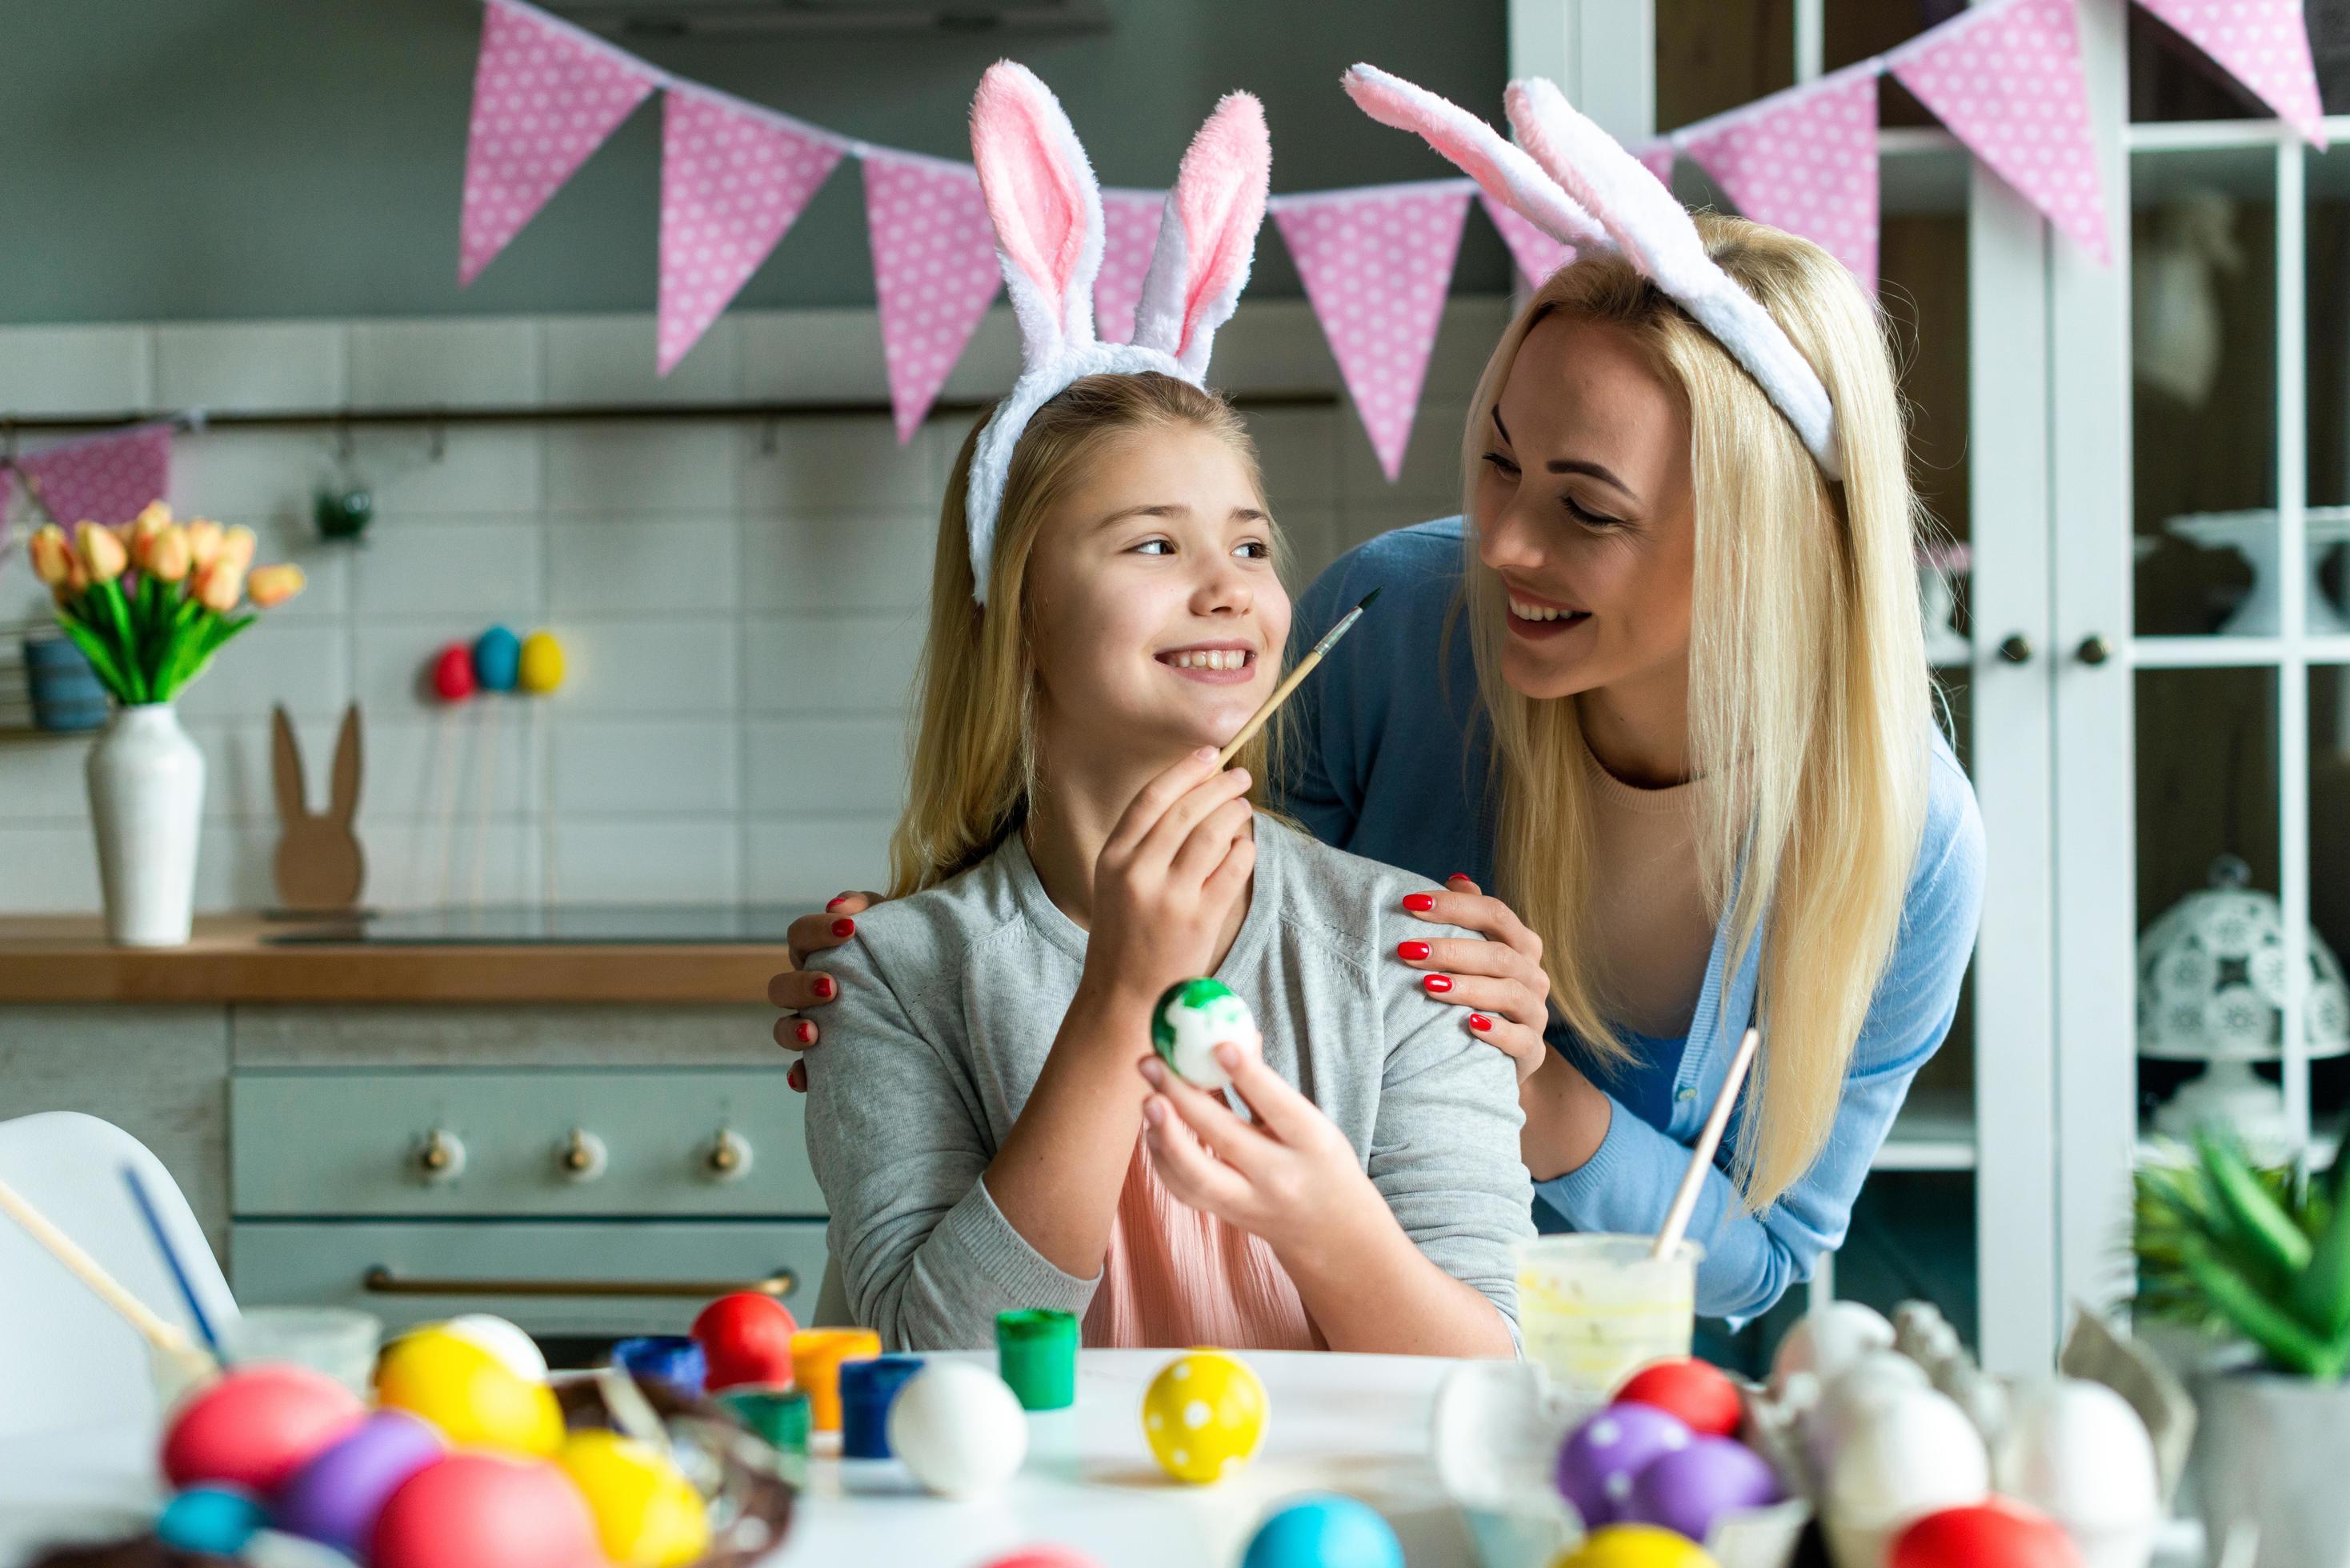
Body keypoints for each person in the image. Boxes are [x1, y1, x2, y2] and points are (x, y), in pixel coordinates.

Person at [779, 70, 1984, 1323]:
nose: (1501, 546)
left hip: (1607, 1345)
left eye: (1587, 510)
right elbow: (1175, 861)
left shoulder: (1909, 842)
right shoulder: (1390, 621)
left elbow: (1754, 1253)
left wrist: (1531, 1092)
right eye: (1498, 463)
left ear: (1761, 552)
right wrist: (917, 956)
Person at [797, 64, 1531, 1354]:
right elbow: (931, 1362)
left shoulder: (1409, 958)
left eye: (1250, 548)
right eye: (1150, 546)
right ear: (1014, 608)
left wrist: (1325, 1225)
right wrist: (1118, 996)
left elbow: (1486, 1372)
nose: (1225, 589)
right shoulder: (894, 980)